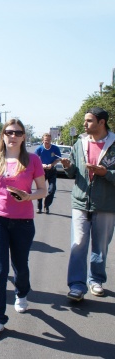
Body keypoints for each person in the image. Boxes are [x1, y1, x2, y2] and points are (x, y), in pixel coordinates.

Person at [0, 119, 46, 339]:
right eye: (9, 132)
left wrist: (29, 196)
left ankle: (22, 293)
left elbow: (43, 190)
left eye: (18, 132)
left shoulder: (32, 160)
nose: (13, 136)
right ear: (3, 135)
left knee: (20, 265)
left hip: (23, 222)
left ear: (23, 136)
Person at [61, 107, 115, 302]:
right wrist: (68, 167)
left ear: (102, 122)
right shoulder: (80, 143)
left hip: (106, 203)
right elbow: (74, 173)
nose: (85, 124)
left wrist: (106, 173)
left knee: (100, 246)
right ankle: (76, 285)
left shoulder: (113, 143)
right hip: (80, 202)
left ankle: (96, 280)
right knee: (78, 244)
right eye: (85, 121)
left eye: (89, 121)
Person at [34, 133, 61, 214]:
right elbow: (35, 160)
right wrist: (42, 165)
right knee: (40, 189)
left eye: (49, 140)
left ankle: (47, 205)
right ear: (43, 140)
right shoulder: (39, 149)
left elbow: (58, 158)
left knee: (52, 189)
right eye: (46, 140)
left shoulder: (55, 149)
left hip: (52, 170)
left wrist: (52, 164)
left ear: (51, 140)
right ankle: (39, 207)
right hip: (42, 171)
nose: (47, 142)